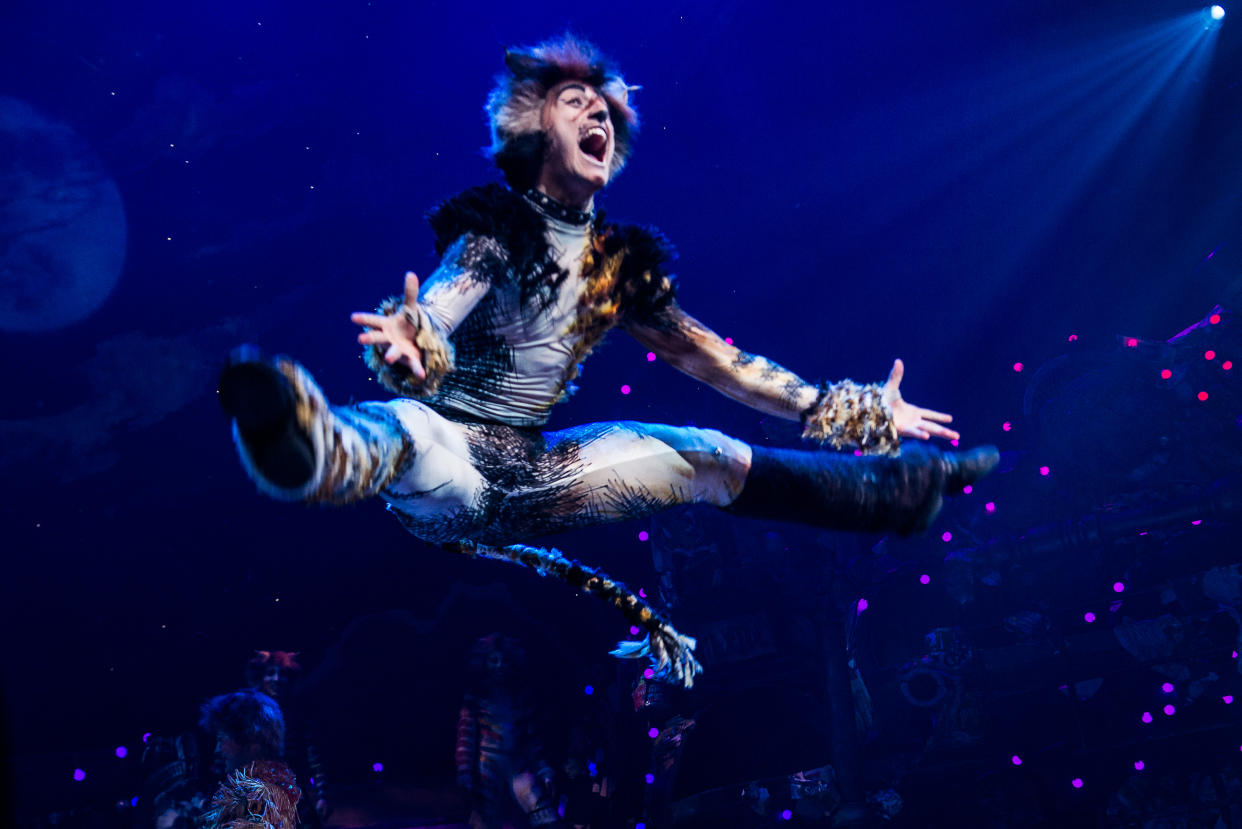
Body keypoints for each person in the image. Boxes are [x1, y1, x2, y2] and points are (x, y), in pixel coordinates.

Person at [219, 34, 994, 562]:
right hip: (452, 463)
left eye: (603, 107)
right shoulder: (496, 228)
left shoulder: (620, 266)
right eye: (572, 102)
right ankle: (303, 445)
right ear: (531, 132)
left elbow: (723, 364)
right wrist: (413, 337)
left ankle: (889, 494)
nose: (595, 113)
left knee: (711, 458)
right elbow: (447, 300)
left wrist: (850, 409)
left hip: (546, 472)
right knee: (407, 429)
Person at [198, 689, 302, 829]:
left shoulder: (258, 792)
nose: (217, 749)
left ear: (252, 740)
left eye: (222, 739)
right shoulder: (274, 779)